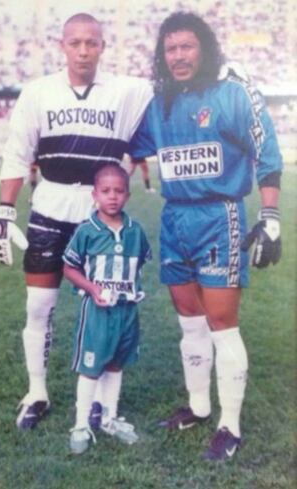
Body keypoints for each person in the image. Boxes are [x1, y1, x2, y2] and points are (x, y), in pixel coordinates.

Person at [129, 12, 282, 461]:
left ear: (204, 49)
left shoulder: (232, 95)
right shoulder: (161, 105)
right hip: (176, 220)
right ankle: (198, 406)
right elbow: (130, 149)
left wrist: (270, 215)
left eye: (187, 47)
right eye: (170, 49)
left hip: (220, 216)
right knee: (189, 321)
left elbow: (266, 155)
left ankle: (229, 424)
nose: (178, 56)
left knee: (221, 323)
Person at [0, 13, 153, 430]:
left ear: (102, 46)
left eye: (92, 43)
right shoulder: (38, 92)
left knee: (101, 305)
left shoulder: (128, 91)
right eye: (75, 43)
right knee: (39, 305)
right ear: (62, 46)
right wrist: (4, 211)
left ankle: (98, 398)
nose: (83, 50)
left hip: (98, 217)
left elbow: (173, 88)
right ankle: (37, 391)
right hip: (49, 207)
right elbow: (16, 152)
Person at [63, 163, 152, 454]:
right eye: (105, 191)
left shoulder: (135, 230)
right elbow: (69, 268)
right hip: (97, 312)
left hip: (126, 311)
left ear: (127, 195)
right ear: (94, 195)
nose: (112, 196)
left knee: (115, 364)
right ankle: (80, 423)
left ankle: (109, 418)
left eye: (119, 191)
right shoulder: (87, 231)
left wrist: (129, 290)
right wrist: (92, 288)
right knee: (91, 367)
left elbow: (139, 264)